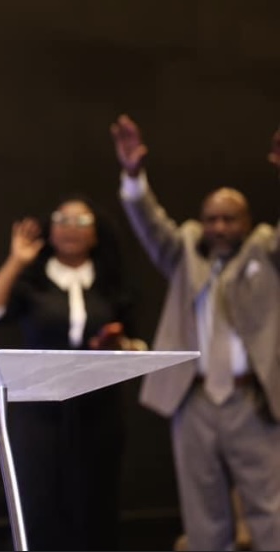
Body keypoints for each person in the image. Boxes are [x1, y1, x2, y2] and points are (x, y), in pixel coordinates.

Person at [110, 114, 280, 551]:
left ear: (247, 221)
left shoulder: (266, 250)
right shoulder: (185, 251)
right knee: (203, 512)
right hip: (194, 397)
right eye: (212, 219)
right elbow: (150, 223)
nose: (219, 227)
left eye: (230, 219)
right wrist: (133, 174)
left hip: (252, 399)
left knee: (270, 508)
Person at [0, 195, 146, 551]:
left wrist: (122, 346)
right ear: (51, 229)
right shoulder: (32, 282)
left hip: (99, 411)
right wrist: (16, 261)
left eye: (82, 221)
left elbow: (135, 342)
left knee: (95, 506)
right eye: (62, 219)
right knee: (39, 505)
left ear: (96, 234)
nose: (70, 228)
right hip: (39, 411)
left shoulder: (112, 283)